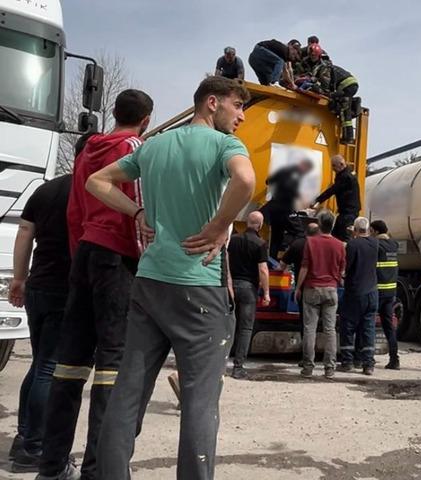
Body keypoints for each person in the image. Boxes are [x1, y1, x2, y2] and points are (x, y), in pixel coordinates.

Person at [90, 76, 255, 480]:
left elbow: (97, 181)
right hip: (199, 287)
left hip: (149, 283)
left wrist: (136, 212)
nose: (242, 116)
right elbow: (246, 180)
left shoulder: (152, 146)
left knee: (128, 392)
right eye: (237, 106)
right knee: (200, 402)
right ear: (212, 102)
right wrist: (220, 224)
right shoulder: (225, 146)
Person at [37, 89, 153, 480]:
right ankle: (98, 469)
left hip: (85, 252)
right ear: (146, 120)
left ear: (115, 112)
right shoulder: (134, 148)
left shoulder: (87, 151)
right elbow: (140, 209)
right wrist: (142, 261)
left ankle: (51, 466)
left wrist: (79, 258)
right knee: (112, 367)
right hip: (117, 258)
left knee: (69, 365)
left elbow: (75, 211)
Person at [6, 174, 72, 474]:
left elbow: (24, 232)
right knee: (49, 367)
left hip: (38, 286)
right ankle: (34, 447)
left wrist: (19, 278)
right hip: (64, 288)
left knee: (39, 364)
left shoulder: (45, 189)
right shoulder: (91, 189)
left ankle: (24, 437)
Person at [295, 210, 345, 379]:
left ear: (320, 224)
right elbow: (342, 269)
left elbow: (304, 267)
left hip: (312, 288)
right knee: (330, 330)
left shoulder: (311, 242)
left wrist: (298, 287)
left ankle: (308, 367)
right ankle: (329, 368)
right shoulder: (340, 245)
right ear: (333, 225)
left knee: (310, 329)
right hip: (331, 290)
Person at [228, 211, 271, 380]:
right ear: (260, 225)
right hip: (248, 289)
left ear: (247, 222)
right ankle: (238, 368)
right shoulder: (260, 244)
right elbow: (263, 270)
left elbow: (225, 261)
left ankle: (220, 362)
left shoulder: (233, 240)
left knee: (228, 325)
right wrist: (266, 293)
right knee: (245, 328)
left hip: (230, 286)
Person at [338, 217, 379, 375]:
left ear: (355, 230)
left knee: (348, 327)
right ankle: (367, 364)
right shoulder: (375, 243)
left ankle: (347, 362)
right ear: (368, 229)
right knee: (368, 329)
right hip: (372, 292)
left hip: (355, 292)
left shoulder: (353, 244)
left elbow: (347, 267)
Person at [307, 44, 359, 144]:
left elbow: (325, 87)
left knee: (343, 108)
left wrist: (317, 88)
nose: (311, 58)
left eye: (313, 56)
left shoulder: (324, 68)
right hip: (350, 85)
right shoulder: (326, 65)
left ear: (318, 56)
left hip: (347, 86)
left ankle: (348, 137)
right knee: (337, 103)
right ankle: (352, 107)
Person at [263, 158, 313, 259]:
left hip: (275, 210)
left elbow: (268, 181)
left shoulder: (282, 171)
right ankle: (292, 259)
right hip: (285, 209)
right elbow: (290, 189)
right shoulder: (296, 174)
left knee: (276, 238)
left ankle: (272, 261)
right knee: (300, 234)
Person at [371, 220, 400, 370]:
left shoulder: (377, 245)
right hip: (390, 292)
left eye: (371, 231)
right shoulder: (394, 245)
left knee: (368, 323)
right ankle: (394, 359)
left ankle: (368, 358)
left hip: (377, 291)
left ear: (375, 231)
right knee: (389, 326)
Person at [312, 155, 360, 241]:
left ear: (341, 164)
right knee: (335, 237)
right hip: (345, 212)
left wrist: (317, 200)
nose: (332, 168)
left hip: (348, 213)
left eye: (334, 165)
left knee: (344, 238)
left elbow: (333, 190)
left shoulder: (346, 177)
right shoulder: (346, 174)